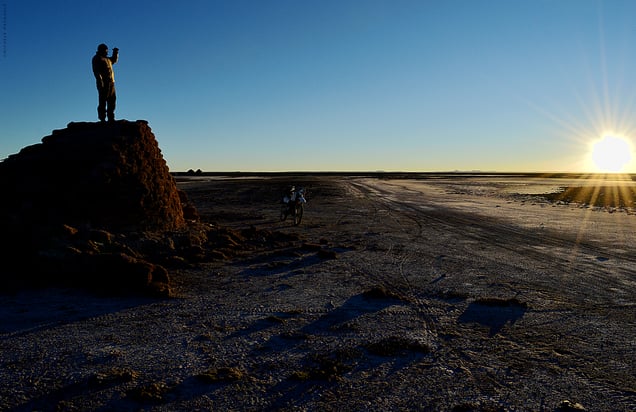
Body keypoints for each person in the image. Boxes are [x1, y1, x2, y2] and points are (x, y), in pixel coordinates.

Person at [92, 43, 119, 122]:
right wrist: (100, 82)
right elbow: (96, 71)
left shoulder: (107, 59)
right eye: (105, 51)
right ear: (101, 50)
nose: (107, 53)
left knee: (112, 100)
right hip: (103, 83)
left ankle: (111, 117)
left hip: (111, 83)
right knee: (103, 100)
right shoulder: (97, 58)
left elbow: (114, 60)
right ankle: (102, 118)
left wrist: (115, 52)